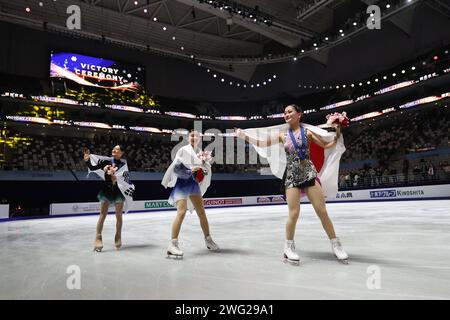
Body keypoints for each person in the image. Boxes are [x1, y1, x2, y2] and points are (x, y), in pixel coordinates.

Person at [235, 104, 349, 265]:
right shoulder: (283, 135)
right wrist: (243, 136)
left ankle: (336, 245)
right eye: (285, 113)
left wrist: (337, 129)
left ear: (299, 115)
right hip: (292, 176)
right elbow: (261, 143)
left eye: (290, 112)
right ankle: (288, 247)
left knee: (322, 211)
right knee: (293, 213)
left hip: (309, 173)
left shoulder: (308, 133)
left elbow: (328, 145)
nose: (286, 114)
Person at [161, 130, 220, 259]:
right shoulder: (183, 150)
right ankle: (172, 244)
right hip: (182, 184)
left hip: (193, 185)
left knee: (201, 212)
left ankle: (208, 240)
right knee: (181, 212)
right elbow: (176, 169)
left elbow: (203, 172)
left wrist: (203, 168)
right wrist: (191, 170)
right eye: (192, 135)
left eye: (197, 136)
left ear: (200, 138)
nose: (194, 138)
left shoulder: (200, 153)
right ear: (188, 138)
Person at [84, 145, 135, 252]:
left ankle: (118, 235)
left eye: (116, 149)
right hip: (107, 191)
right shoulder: (106, 161)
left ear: (121, 153)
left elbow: (125, 178)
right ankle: (98, 237)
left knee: (118, 216)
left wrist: (116, 177)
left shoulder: (123, 164)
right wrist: (87, 160)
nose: (114, 150)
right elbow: (93, 168)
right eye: (113, 148)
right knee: (102, 215)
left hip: (118, 192)